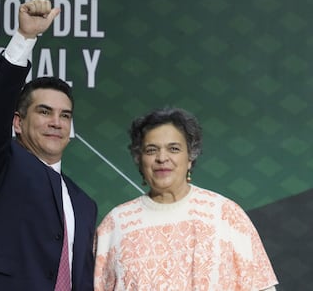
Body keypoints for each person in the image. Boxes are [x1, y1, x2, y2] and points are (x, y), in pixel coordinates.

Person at [0, 0, 97, 291]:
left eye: (64, 116)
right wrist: (25, 38)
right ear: (17, 122)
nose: (56, 122)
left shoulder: (84, 204)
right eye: (44, 112)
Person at [94, 107, 278, 291]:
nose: (162, 158)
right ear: (139, 159)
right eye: (151, 150)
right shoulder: (116, 224)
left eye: (173, 148)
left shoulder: (225, 215)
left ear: (190, 156)